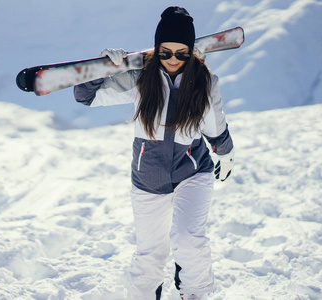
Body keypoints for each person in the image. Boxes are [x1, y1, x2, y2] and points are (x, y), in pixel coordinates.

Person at [74, 6, 234, 300]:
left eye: (182, 53)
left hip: (192, 171)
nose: (174, 60)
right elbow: (87, 96)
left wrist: (225, 152)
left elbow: (215, 124)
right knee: (151, 252)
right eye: (166, 52)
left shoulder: (205, 81)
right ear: (157, 49)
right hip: (148, 177)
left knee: (188, 240)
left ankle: (194, 293)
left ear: (191, 52)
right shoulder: (140, 79)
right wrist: (103, 67)